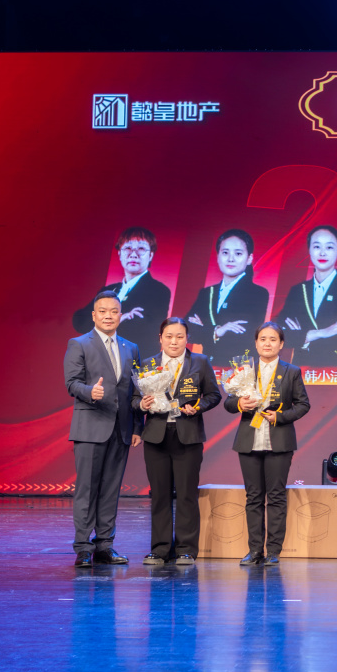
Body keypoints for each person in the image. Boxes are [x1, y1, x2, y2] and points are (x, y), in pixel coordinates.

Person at [133, 317, 222, 566]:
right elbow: (133, 400)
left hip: (187, 435)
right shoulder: (148, 364)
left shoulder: (200, 362)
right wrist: (142, 404)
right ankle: (160, 549)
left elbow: (214, 395)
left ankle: (185, 549)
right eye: (169, 336)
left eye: (179, 336)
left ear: (187, 338)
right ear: (160, 338)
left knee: (186, 494)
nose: (174, 341)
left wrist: (198, 406)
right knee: (160, 494)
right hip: (156, 436)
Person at [63, 290, 140, 568]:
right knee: (87, 489)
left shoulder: (131, 347)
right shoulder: (79, 344)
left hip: (121, 429)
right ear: (94, 315)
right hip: (90, 427)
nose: (109, 316)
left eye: (114, 311)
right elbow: (71, 383)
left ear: (121, 315)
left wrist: (137, 426)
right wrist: (89, 392)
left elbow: (135, 390)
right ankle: (83, 547)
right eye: (103, 311)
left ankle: (105, 545)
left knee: (110, 490)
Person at [226, 322, 310, 566]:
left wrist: (280, 417)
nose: (267, 343)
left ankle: (273, 551)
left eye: (273, 339)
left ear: (281, 344)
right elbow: (228, 403)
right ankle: (254, 550)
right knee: (253, 497)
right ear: (256, 343)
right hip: (249, 441)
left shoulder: (291, 371)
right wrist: (240, 404)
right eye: (263, 339)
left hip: (279, 441)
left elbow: (303, 405)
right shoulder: (244, 371)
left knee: (276, 496)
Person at [71, 227, 172, 358]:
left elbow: (142, 333)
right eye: (128, 248)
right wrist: (120, 319)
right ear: (119, 254)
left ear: (151, 255)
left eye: (141, 249)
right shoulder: (108, 290)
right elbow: (79, 321)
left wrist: (101, 320)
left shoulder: (159, 291)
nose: (133, 254)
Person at [276, 225, 337, 368]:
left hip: (334, 369)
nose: (322, 253)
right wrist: (323, 333)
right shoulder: (297, 291)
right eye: (317, 247)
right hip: (301, 368)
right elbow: (282, 335)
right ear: (309, 250)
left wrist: (302, 335)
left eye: (329, 247)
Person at [186, 229, 271, 366]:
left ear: (249, 258)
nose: (230, 259)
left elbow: (241, 336)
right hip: (207, 366)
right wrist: (219, 330)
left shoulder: (258, 293)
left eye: (238, 253)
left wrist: (204, 328)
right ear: (218, 256)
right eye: (225, 253)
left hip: (239, 368)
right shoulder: (207, 293)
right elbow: (187, 331)